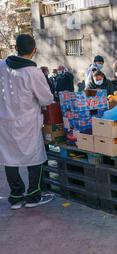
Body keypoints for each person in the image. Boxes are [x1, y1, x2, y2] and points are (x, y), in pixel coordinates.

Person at [0, 34, 55, 209]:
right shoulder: (33, 72)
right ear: (34, 51)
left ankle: (16, 196)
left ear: (16, 48)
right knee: (35, 156)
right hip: (28, 122)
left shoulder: (2, 66)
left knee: (9, 158)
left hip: (6, 120)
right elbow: (46, 99)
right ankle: (33, 195)